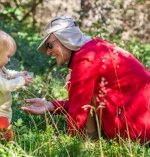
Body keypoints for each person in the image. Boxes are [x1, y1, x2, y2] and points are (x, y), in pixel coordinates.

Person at [21, 16, 150, 143]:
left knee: (70, 79)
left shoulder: (87, 59)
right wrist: (50, 106)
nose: (48, 52)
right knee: (71, 78)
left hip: (136, 129)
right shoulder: (94, 48)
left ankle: (91, 141)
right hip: (141, 122)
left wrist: (69, 145)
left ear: (65, 38)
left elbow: (79, 110)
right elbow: (82, 101)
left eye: (49, 45)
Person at [0, 29, 33, 141]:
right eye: (8, 56)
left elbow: (9, 74)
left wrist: (20, 74)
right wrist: (21, 81)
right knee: (8, 135)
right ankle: (7, 149)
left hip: (3, 112)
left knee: (6, 129)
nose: (9, 60)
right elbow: (5, 85)